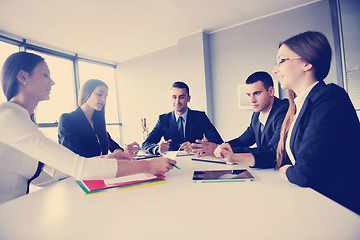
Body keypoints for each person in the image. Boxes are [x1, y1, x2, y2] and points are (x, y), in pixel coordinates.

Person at [0, 52, 176, 204]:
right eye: (46, 75)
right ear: (23, 77)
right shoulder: (9, 117)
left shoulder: (23, 121)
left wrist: (109, 156)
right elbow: (79, 167)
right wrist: (147, 166)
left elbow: (58, 172)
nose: (52, 82)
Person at [272, 31, 360, 214]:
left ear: (307, 62)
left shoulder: (330, 97)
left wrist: (287, 170)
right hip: (314, 202)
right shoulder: (300, 105)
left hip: (339, 209)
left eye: (281, 60)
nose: (275, 69)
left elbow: (305, 172)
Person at [213, 71, 289, 168]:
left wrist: (232, 153)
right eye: (248, 95)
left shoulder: (284, 110)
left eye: (257, 93)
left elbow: (273, 149)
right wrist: (223, 146)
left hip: (283, 171)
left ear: (271, 91)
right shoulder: (256, 115)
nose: (252, 100)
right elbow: (242, 141)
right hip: (267, 170)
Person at [58, 79, 140, 158]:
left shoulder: (97, 122)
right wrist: (112, 157)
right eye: (100, 94)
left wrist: (122, 153)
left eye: (106, 96)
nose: (104, 100)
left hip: (102, 170)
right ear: (87, 93)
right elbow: (74, 158)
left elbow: (113, 146)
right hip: (82, 171)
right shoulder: (67, 120)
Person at [142, 81, 223, 155]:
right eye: (174, 97)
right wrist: (157, 149)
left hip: (197, 161)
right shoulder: (163, 119)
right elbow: (146, 144)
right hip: (171, 164)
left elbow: (218, 143)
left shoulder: (200, 117)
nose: (177, 101)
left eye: (181, 97)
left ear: (188, 98)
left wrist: (196, 147)